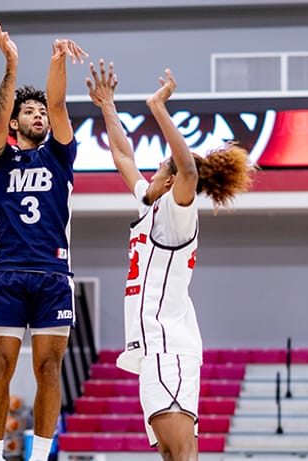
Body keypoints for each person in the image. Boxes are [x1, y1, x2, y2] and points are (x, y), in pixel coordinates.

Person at [87, 62, 253, 461]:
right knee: (174, 455)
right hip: (157, 351)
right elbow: (123, 154)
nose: (156, 168)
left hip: (169, 348)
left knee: (180, 455)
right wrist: (107, 105)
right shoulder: (149, 204)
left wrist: (158, 108)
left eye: (164, 165)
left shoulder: (178, 214)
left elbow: (190, 171)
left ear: (172, 179)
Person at [0, 21, 87, 461]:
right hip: (6, 273)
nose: (38, 114)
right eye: (30, 111)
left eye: (40, 111)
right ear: (15, 123)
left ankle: (40, 456)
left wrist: (56, 62)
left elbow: (59, 103)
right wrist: (11, 65)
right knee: (0, 366)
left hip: (53, 273)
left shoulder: (60, 154)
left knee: (49, 368)